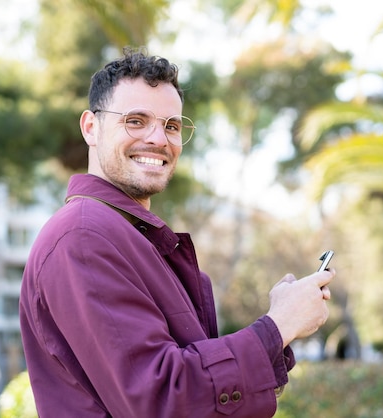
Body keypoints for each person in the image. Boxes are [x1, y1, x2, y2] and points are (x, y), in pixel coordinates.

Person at [19, 47, 334, 418]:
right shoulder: (84, 237)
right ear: (91, 127)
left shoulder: (126, 235)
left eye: (171, 125)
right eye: (136, 121)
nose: (158, 139)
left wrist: (282, 323)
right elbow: (162, 400)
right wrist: (278, 325)